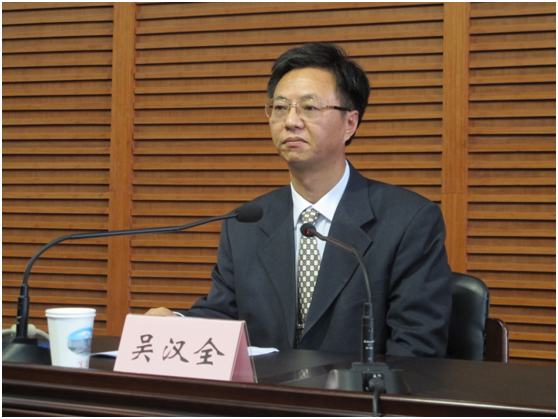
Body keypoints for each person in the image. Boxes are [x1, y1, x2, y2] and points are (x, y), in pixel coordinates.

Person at [146, 43, 452, 358]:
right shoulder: (246, 223)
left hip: (355, 390)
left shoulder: (408, 220)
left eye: (309, 107)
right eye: (280, 107)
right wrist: (177, 323)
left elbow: (416, 350)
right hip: (265, 389)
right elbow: (225, 315)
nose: (291, 121)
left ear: (350, 123)